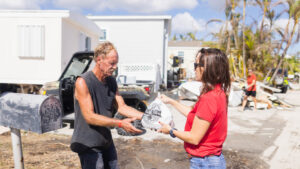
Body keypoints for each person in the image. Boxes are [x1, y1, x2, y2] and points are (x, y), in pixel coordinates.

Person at [70, 42, 143, 169]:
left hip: (105, 140)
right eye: (112, 63)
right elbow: (89, 117)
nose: (115, 67)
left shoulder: (111, 81)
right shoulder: (83, 82)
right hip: (88, 143)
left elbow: (122, 107)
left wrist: (147, 117)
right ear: (99, 60)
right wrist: (120, 123)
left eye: (116, 63)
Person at [158, 48, 231, 169]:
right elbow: (193, 114)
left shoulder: (209, 98)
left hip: (205, 162)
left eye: (197, 64)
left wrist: (171, 130)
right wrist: (171, 101)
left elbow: (194, 138)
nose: (194, 68)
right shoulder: (217, 92)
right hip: (210, 160)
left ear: (210, 68)